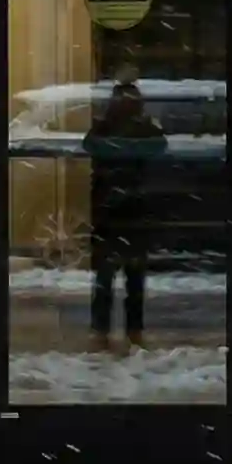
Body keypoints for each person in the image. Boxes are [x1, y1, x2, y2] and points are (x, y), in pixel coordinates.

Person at [82, 79, 167, 348]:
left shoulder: (105, 126)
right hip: (130, 211)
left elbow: (91, 146)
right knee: (132, 277)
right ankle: (132, 330)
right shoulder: (141, 127)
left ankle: (103, 331)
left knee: (108, 277)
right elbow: (158, 147)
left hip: (112, 212)